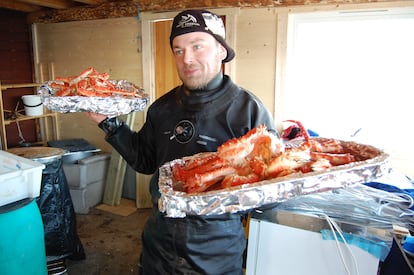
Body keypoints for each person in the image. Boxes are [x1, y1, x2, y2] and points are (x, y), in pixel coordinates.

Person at [87, 9, 276, 275]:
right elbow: (145, 160)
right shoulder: (162, 108)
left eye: (198, 46)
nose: (187, 59)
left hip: (216, 251)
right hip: (159, 245)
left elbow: (271, 191)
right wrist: (108, 122)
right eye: (178, 50)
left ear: (221, 51)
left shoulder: (248, 110)